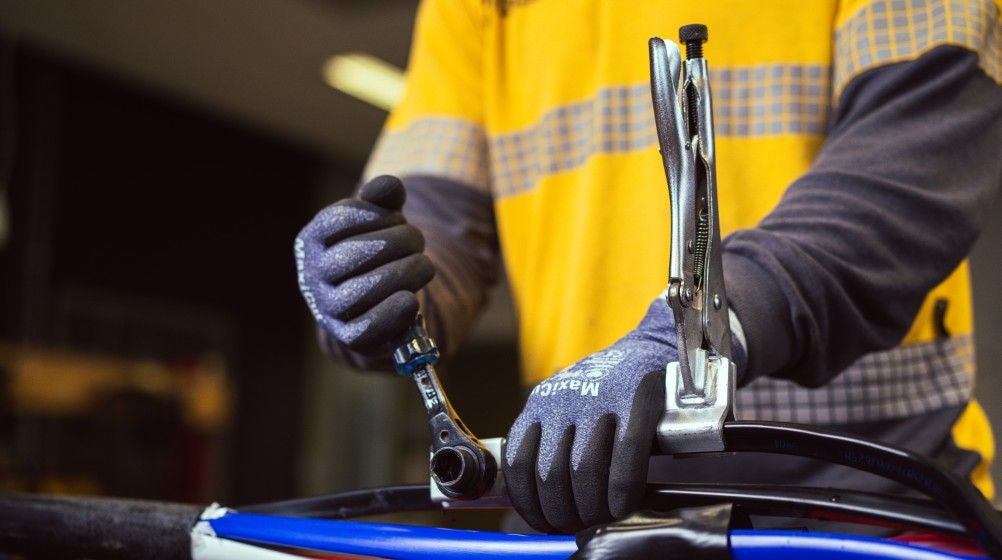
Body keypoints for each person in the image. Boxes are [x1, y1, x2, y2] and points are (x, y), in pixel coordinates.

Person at [295, 0, 1002, 534]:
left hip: (864, 508)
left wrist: (700, 330)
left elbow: (916, 154)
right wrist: (372, 284)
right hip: (586, 501)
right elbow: (433, 217)